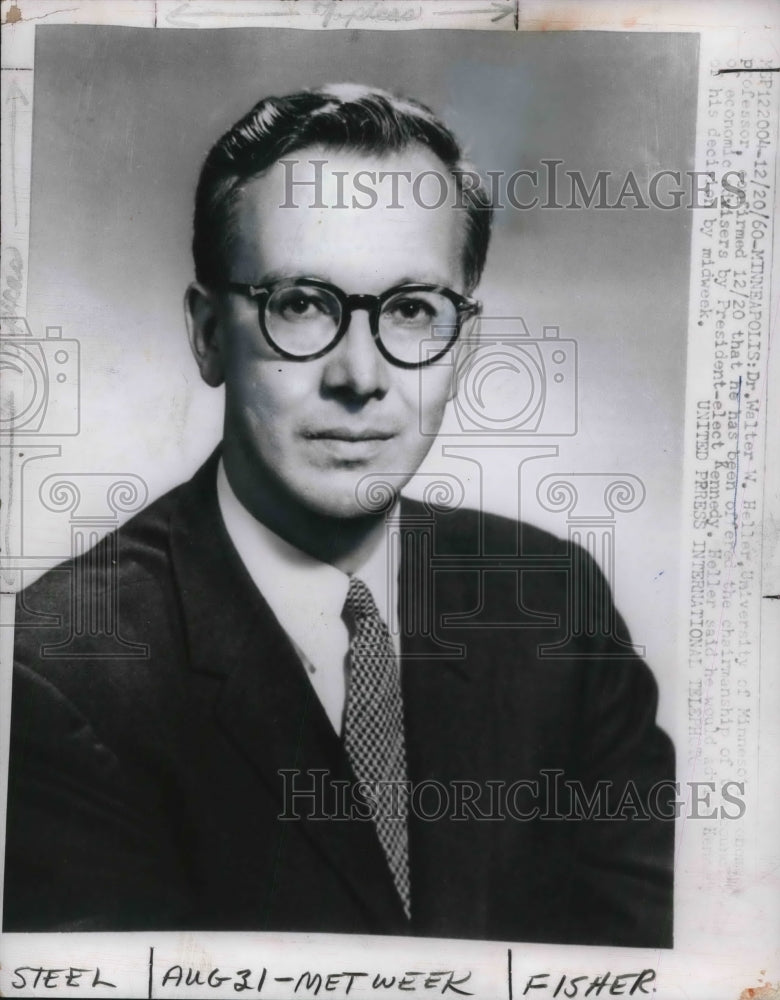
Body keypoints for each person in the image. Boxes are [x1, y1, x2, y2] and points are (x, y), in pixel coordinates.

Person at [3, 84, 674, 945]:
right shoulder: (57, 667)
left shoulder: (555, 605)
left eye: (412, 311)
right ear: (209, 334)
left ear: (461, 347)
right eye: (303, 304)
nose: (360, 376)